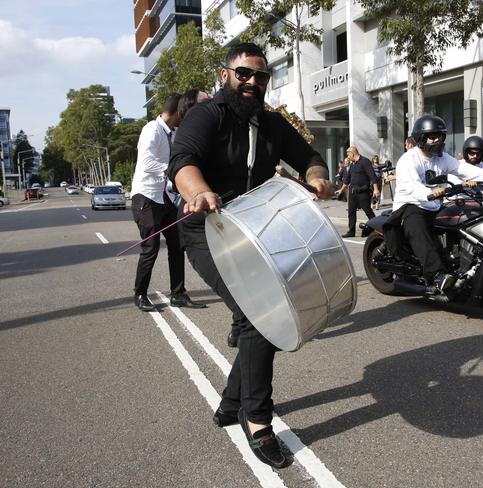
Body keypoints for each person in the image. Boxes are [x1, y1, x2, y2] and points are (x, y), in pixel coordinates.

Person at [167, 42, 332, 469]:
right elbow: (182, 162)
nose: (252, 82)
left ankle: (229, 405)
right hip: (206, 228)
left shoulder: (273, 124)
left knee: (255, 317)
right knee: (260, 314)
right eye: (244, 73)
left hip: (258, 230)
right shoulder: (206, 116)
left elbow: (309, 158)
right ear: (226, 75)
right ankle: (256, 418)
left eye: (260, 76)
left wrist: (317, 178)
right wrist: (199, 191)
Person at [386, 115, 483, 295]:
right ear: (421, 138)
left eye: (440, 136)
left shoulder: (441, 158)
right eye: (432, 136)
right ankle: (436, 275)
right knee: (417, 227)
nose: (437, 140)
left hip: (434, 205)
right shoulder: (408, 159)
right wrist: (429, 193)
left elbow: (464, 169)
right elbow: (411, 186)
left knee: (460, 218)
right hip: (410, 205)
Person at [130, 93, 204, 312]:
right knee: (150, 248)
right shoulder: (152, 130)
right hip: (146, 197)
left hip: (163, 197)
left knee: (177, 243)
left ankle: (178, 294)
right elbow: (147, 163)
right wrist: (174, 170)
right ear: (178, 112)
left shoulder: (171, 132)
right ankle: (140, 294)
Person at [336, 146, 380, 237]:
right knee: (351, 212)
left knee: (367, 210)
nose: (348, 157)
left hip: (363, 192)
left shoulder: (365, 161)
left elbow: (372, 176)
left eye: (348, 154)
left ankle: (378, 229)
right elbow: (347, 180)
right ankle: (351, 231)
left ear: (352, 153)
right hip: (352, 192)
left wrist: (376, 189)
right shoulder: (352, 164)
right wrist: (341, 190)